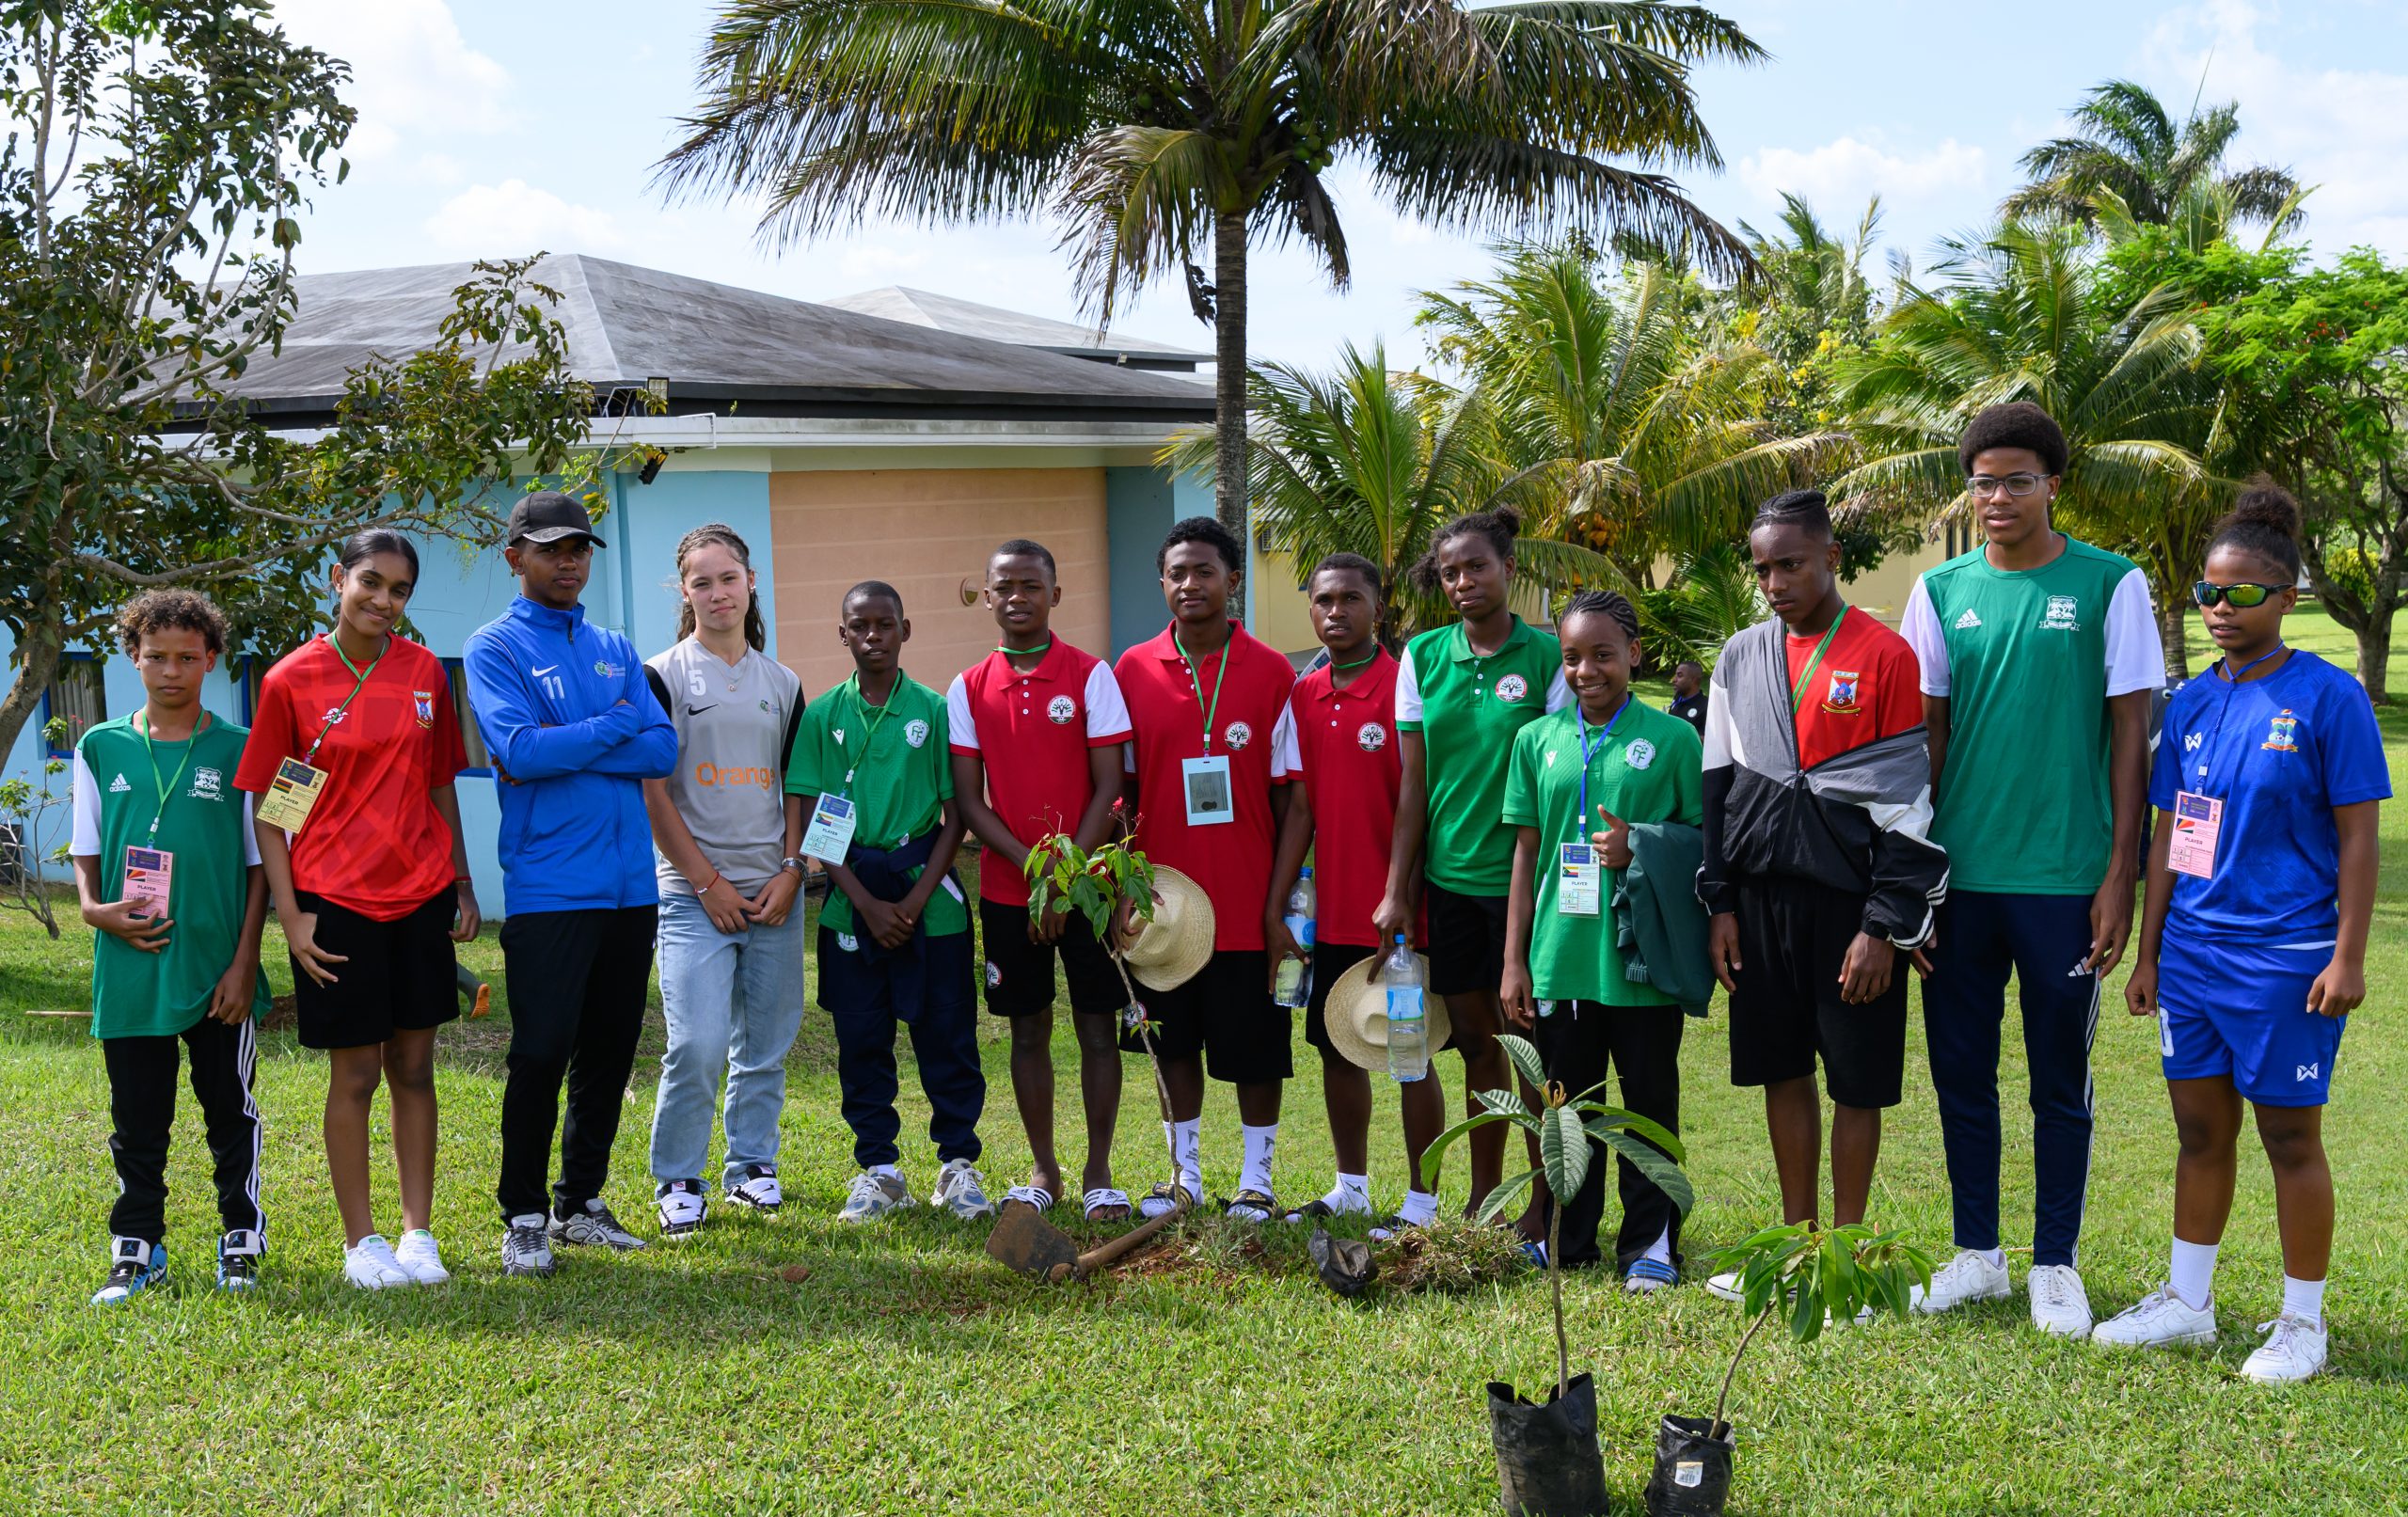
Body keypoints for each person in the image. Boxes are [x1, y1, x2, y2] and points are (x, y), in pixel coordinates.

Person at [2096, 485, 2386, 1383]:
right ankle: (2188, 1303)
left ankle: (2303, 1322)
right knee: (2198, 1131)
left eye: (2242, 593)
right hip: (2192, 958)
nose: (2220, 609)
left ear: (2287, 595)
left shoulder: (2329, 696)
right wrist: (2149, 953)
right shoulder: (2188, 703)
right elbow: (2171, 833)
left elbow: (2359, 836)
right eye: (2207, 594)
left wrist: (2347, 955)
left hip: (2286, 960)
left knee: (2291, 1139)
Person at [1898, 402, 2161, 1335]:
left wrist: (2119, 871)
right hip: (1959, 882)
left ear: (2053, 484)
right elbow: (1924, 742)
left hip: (2064, 879)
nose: (1998, 497)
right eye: (1983, 482)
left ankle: (2056, 1261)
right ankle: (1977, 1253)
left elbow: (2131, 733)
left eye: (2017, 480)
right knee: (1961, 1073)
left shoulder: (2110, 583)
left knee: (2059, 1081)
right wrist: (1910, 881)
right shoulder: (1938, 591)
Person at [1697, 492, 1946, 1299]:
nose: (1774, 582)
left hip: (1851, 908)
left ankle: (1847, 1260)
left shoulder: (1885, 654)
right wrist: (1721, 903)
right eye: (1762, 568)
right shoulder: (1740, 655)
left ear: (1831, 558)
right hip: (1759, 902)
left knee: (1855, 1081)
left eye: (1791, 564)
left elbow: (1907, 804)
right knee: (1781, 1069)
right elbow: (1717, 787)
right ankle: (1795, 1250)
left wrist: (1884, 925)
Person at [236, 530, 478, 1289]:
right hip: (335, 902)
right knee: (357, 1071)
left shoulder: (424, 671)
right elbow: (275, 811)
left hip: (421, 895)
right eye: (371, 582)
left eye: (400, 589)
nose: (383, 600)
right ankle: (360, 1241)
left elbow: (440, 783)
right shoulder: (292, 680)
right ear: (337, 578)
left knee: (414, 1065)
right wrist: (290, 914)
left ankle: (417, 1233)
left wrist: (461, 881)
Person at [464, 490, 678, 1276]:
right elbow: (521, 751)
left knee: (610, 1052)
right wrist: (618, 723)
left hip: (630, 888)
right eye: (552, 549)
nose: (569, 562)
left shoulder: (614, 646)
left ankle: (579, 1202)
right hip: (551, 886)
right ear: (514, 555)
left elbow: (663, 750)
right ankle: (523, 1213)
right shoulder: (494, 647)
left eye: (580, 548)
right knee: (542, 1050)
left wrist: (578, 741)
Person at [71, 590, 271, 1302]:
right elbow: (87, 849)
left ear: (212, 659)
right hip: (131, 967)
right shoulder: (100, 747)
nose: (171, 671)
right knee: (136, 1120)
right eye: (156, 657)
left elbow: (260, 866)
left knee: (230, 1113)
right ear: (133, 657)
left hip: (217, 967)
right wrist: (93, 910)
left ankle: (241, 1239)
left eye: (188, 657)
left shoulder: (241, 748)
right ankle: (137, 1248)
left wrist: (244, 961)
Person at [1498, 590, 1702, 1287]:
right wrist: (1515, 960)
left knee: (1647, 1107)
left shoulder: (1673, 739)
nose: (1586, 671)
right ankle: (1568, 1238)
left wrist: (1639, 841)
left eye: (1603, 655)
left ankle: (1650, 1244)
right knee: (1567, 1112)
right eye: (1572, 657)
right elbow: (1526, 853)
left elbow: (1704, 841)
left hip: (1641, 960)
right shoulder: (1536, 740)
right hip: (1561, 958)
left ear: (1635, 654)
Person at [1377, 508, 1569, 1225]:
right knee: (1478, 1047)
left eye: (1477, 566)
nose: (1463, 581)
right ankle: (1485, 1199)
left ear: (1508, 568)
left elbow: (1561, 774)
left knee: (1533, 1052)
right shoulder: (1422, 656)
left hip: (1529, 887)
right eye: (1450, 571)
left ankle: (1542, 1205)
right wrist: (1398, 890)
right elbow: (1414, 784)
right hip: (1450, 885)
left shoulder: (1548, 656)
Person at [789, 581, 993, 1222]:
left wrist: (916, 899)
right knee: (861, 1038)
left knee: (947, 1035)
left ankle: (957, 1165)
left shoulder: (934, 710)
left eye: (885, 624)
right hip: (852, 897)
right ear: (842, 634)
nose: (873, 635)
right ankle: (879, 1169)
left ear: (907, 630)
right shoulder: (823, 714)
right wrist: (867, 905)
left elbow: (957, 814)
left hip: (930, 899)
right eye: (860, 625)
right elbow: (818, 816)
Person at [1114, 517, 1298, 1221]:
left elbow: (1289, 800)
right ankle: (1182, 1175)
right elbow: (1121, 792)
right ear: (1161, 583)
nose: (1190, 584)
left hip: (1248, 902)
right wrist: (1125, 890)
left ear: (1233, 580)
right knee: (1173, 1044)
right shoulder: (1132, 670)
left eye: (1204, 571)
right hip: (1163, 906)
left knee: (1256, 1050)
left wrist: (1281, 902)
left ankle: (1257, 1180)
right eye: (1177, 573)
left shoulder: (1274, 672)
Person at [946, 540, 1134, 1221]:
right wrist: (1035, 882)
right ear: (986, 598)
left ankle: (1099, 1173)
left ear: (1055, 594)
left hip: (1088, 891)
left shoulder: (1092, 676)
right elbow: (970, 802)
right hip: (1009, 895)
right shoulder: (967, 687)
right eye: (1004, 586)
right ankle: (1044, 1170)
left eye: (1031, 585)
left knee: (1097, 1030)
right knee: (1027, 1032)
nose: (1017, 597)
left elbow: (1111, 787)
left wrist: (1064, 881)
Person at [1267, 554, 1448, 1233]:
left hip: (1398, 913)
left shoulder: (1403, 686)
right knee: (1337, 1044)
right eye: (1324, 600)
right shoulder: (1304, 694)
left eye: (1351, 599)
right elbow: (1302, 807)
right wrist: (1279, 901)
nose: (1336, 611)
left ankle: (1422, 1201)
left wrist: (1402, 896)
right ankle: (1352, 1186)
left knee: (1408, 1051)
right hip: (1335, 911)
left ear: (1379, 606)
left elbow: (1421, 801)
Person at [642, 524, 808, 1239]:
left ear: (751, 582)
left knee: (765, 1043)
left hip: (773, 895)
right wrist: (706, 882)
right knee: (698, 1044)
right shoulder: (662, 675)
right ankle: (679, 1177)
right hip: (692, 897)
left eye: (728, 578)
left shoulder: (784, 683)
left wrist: (793, 870)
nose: (717, 593)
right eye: (701, 582)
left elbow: (797, 788)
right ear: (685, 593)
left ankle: (751, 1166)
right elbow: (653, 793)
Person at [1667, 660, 1708, 736]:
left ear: (1694, 680)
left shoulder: (1706, 706)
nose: (1674, 680)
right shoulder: (1678, 698)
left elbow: (1707, 739)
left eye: (1680, 675)